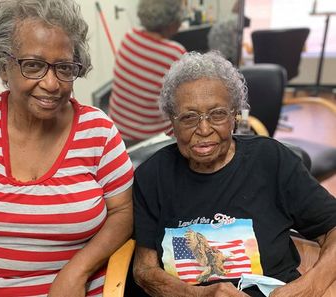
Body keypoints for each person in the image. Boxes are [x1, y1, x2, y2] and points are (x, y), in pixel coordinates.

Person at [0, 1, 134, 296]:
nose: (51, 83)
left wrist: (77, 270)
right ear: (4, 66)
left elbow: (123, 211)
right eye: (33, 65)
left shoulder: (99, 132)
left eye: (64, 68)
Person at [132, 51, 336, 296]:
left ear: (234, 117)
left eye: (217, 114)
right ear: (171, 124)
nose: (204, 129)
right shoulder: (152, 176)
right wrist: (200, 295)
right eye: (189, 117)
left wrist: (309, 287)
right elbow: (144, 269)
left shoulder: (272, 161)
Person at [108, 0, 186, 146]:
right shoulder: (174, 53)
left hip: (116, 132)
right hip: (151, 140)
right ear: (172, 22)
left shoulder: (129, 38)